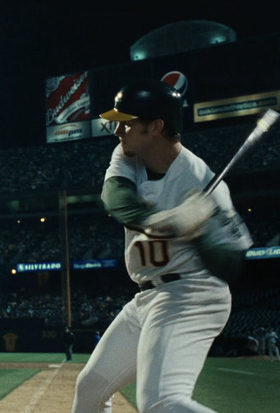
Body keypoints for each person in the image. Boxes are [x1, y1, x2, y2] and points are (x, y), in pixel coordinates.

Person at [72, 80, 252, 413]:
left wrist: (200, 232)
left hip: (192, 294)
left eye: (127, 122)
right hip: (147, 297)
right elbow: (117, 201)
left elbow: (231, 265)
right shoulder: (128, 154)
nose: (118, 130)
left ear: (155, 127)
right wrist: (170, 220)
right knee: (91, 388)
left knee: (160, 403)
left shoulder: (205, 184)